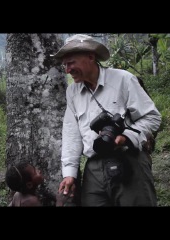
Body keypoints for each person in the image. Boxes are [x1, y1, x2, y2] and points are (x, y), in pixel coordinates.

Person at [52, 34, 162, 206]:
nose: (67, 70)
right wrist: (69, 173)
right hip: (94, 168)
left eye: (71, 63)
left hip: (129, 160)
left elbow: (152, 117)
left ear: (91, 56)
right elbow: (71, 133)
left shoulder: (123, 79)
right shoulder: (72, 92)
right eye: (65, 64)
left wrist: (126, 137)